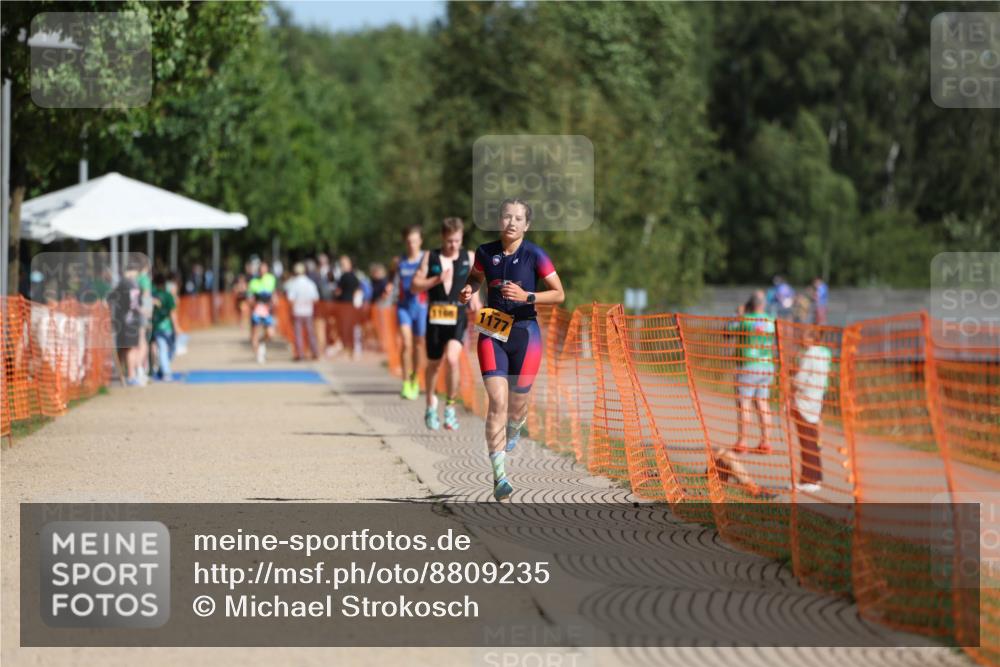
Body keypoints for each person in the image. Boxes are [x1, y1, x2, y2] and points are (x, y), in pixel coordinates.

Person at [458, 198, 565, 501]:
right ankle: (499, 477)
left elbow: (559, 294)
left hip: (525, 333)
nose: (512, 222)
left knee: (517, 406)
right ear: (499, 220)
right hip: (492, 329)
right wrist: (469, 289)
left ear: (526, 225)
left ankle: (516, 426)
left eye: (518, 218)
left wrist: (527, 295)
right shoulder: (484, 252)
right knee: (496, 402)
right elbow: (476, 277)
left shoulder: (535, 254)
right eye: (507, 217)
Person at [412, 217, 480, 431]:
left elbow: (477, 281)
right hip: (435, 319)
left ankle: (450, 407)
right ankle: (431, 403)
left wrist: (476, 299)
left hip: (458, 317)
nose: (454, 245)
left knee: (452, 359)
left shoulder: (469, 257)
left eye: (457, 241)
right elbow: (414, 285)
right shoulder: (429, 257)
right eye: (450, 241)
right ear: (443, 238)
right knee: (434, 364)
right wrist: (436, 279)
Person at [730, 290, 776, 454]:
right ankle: (766, 442)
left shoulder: (744, 320)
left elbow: (727, 332)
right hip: (766, 365)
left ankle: (742, 441)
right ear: (763, 304)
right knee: (762, 402)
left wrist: (737, 314)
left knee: (744, 403)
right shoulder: (771, 321)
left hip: (748, 365)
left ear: (750, 304)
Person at [790, 329, 832, 493]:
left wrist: (792, 381)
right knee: (812, 441)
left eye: (805, 335)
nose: (802, 338)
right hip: (817, 400)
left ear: (812, 339)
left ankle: (809, 479)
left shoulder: (810, 354)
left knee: (806, 441)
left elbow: (801, 380)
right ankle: (815, 477)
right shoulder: (823, 354)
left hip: (804, 402)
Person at [393, 226, 429, 400]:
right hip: (403, 307)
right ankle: (406, 381)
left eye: (415, 241)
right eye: (409, 241)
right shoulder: (400, 261)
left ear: (420, 241)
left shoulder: (426, 259)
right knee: (406, 343)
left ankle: (415, 376)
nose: (412, 245)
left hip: (421, 306)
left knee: (419, 343)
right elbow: (393, 281)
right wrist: (388, 288)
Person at [108, 262, 143, 386]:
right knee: (130, 349)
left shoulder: (122, 283)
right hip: (130, 319)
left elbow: (110, 298)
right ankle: (130, 375)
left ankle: (121, 374)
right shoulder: (131, 284)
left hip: (123, 319)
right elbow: (135, 304)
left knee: (123, 348)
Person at [285, 262, 320, 361]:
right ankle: (315, 352)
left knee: (298, 334)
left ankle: (300, 353)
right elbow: (315, 298)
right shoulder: (310, 283)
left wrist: (291, 309)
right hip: (308, 311)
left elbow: (290, 299)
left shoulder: (294, 283)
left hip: (298, 311)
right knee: (311, 333)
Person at [150, 272, 178, 381]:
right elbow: (172, 313)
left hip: (156, 326)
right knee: (167, 349)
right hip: (167, 328)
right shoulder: (168, 295)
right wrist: (176, 327)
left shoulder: (152, 295)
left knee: (163, 349)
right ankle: (166, 371)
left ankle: (161, 368)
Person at [334, 255, 363, 359]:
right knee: (352, 329)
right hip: (351, 307)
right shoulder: (355, 277)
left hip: (346, 306)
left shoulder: (344, 277)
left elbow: (338, 291)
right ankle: (352, 350)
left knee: (347, 329)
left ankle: (351, 350)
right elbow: (358, 291)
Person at [248, 261, 277, 364]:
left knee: (270, 333)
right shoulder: (253, 282)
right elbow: (250, 297)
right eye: (261, 269)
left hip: (267, 311)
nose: (262, 271)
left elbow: (274, 294)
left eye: (264, 269)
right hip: (256, 310)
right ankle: (258, 355)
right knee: (255, 333)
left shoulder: (271, 279)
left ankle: (261, 343)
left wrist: (272, 304)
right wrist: (253, 305)